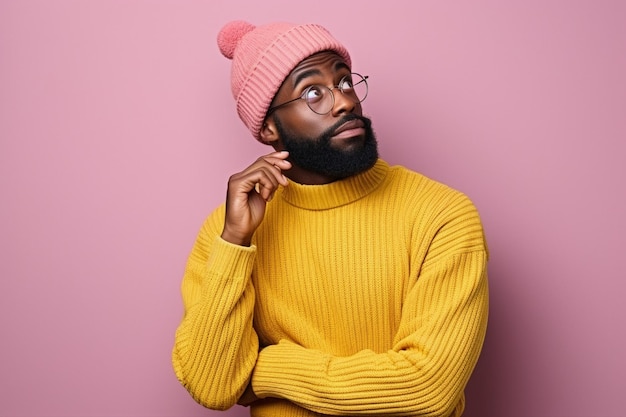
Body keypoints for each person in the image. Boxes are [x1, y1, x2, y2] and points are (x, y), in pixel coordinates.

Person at [172, 20, 489, 417]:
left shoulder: (442, 215)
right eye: (313, 92)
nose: (344, 102)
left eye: (344, 82)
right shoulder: (230, 232)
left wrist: (262, 369)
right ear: (269, 127)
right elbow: (212, 385)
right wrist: (236, 240)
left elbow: (427, 390)